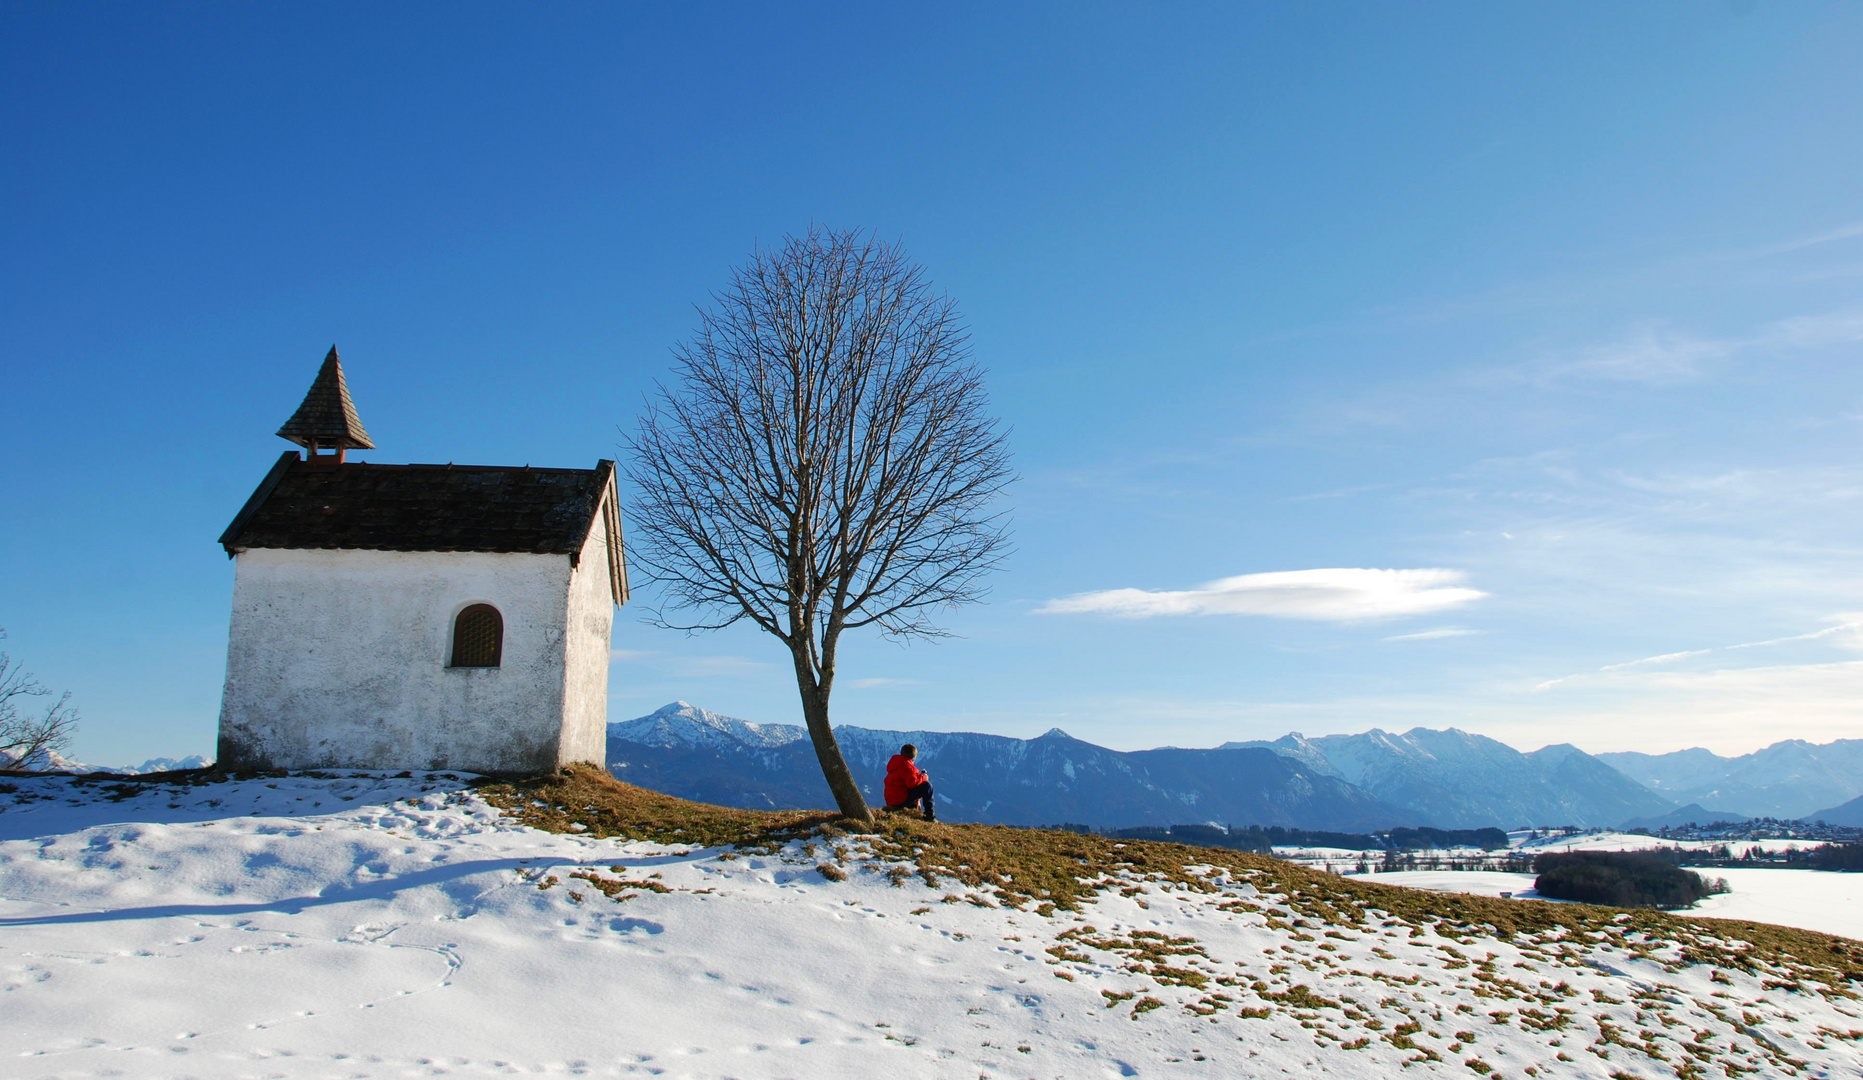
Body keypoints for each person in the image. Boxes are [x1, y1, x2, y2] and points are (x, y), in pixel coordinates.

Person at [883, 743, 935, 821]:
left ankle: (911, 807)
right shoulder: (908, 767)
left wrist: (917, 800)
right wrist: (924, 777)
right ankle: (929, 815)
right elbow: (912, 784)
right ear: (914, 757)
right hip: (900, 800)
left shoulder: (895, 764)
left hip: (891, 799)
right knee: (927, 786)